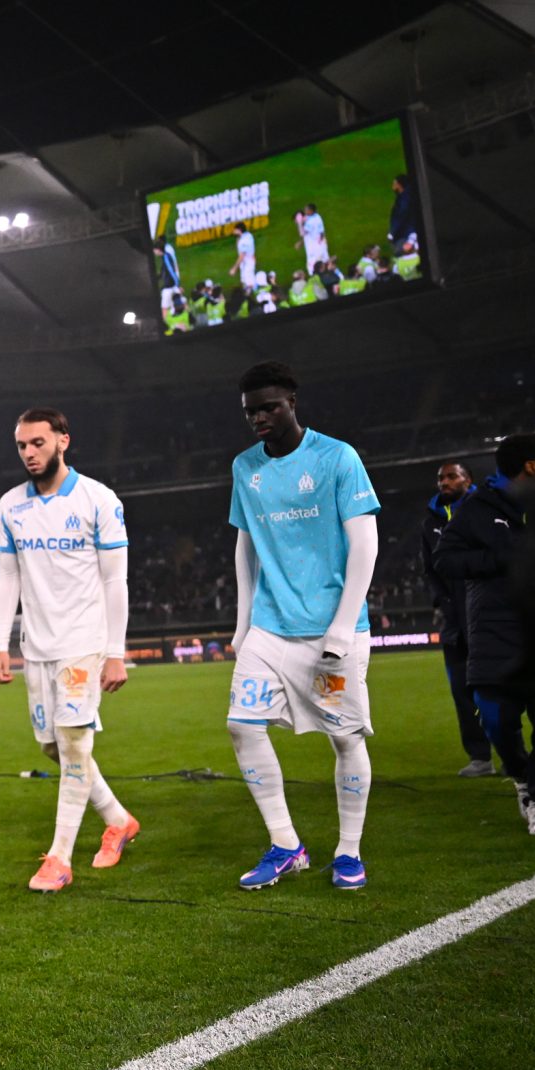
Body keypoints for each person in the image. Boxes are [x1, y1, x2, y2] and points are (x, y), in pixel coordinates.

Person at [225, 360, 381, 891]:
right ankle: (286, 844)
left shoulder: (337, 457)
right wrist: (243, 623)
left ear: (292, 400)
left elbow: (365, 542)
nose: (260, 418)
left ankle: (349, 851)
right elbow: (245, 546)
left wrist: (341, 628)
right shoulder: (245, 467)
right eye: (251, 411)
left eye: (269, 406)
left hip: (331, 632)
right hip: (270, 628)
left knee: (344, 739)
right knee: (242, 726)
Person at [0, 407, 140, 892]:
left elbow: (116, 580)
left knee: (73, 745)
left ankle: (59, 859)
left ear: (63, 441)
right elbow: (8, 575)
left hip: (84, 643)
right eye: (22, 446)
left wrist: (115, 651)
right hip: (37, 648)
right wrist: (0, 643)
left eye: (38, 443)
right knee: (52, 746)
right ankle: (118, 819)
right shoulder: (10, 505)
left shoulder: (99, 499)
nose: (29, 453)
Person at [433, 437, 535, 835]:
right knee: (495, 718)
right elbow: (444, 560)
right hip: (493, 628)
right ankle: (523, 777)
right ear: (529, 466)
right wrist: (501, 560)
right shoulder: (477, 509)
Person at [420, 462, 494, 778]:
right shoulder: (430, 522)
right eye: (440, 478)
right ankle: (480, 757)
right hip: (453, 624)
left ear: (468, 479)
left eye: (452, 476)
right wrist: (443, 601)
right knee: (462, 692)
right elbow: (429, 569)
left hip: (488, 617)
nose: (445, 482)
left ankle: (513, 752)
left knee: (497, 689)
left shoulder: (485, 509)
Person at [387, 173, 420, 249]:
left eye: (394, 183)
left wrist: (392, 232)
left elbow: (401, 215)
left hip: (407, 233)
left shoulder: (404, 198)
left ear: (399, 185)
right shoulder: (404, 196)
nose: (393, 185)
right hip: (408, 231)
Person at [297, 203, 329, 273]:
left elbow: (302, 233)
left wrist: (299, 223)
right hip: (321, 243)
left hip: (313, 246)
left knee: (313, 264)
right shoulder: (317, 216)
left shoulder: (311, 222)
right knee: (324, 260)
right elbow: (322, 231)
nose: (305, 211)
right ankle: (327, 271)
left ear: (311, 211)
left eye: (306, 210)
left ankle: (315, 276)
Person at [227, 223, 256, 289]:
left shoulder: (243, 241)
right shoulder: (248, 235)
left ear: (239, 230)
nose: (233, 231)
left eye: (235, 230)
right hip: (248, 261)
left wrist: (234, 268)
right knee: (244, 281)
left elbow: (242, 256)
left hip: (247, 263)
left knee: (249, 282)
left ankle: (253, 294)